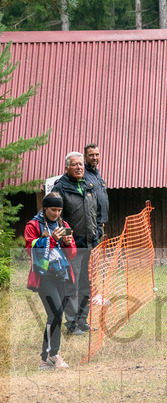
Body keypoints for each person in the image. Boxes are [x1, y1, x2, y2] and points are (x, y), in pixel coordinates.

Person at [25, 193, 77, 370]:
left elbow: (72, 254)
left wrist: (67, 243)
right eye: (53, 209)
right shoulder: (33, 225)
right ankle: (53, 355)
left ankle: (45, 359)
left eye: (59, 210)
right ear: (45, 207)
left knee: (56, 315)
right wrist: (51, 239)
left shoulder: (64, 225)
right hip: (43, 276)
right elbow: (30, 250)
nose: (56, 213)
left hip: (61, 274)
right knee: (55, 313)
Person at [52, 151, 98, 336]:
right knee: (72, 285)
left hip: (90, 243)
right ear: (66, 168)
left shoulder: (88, 184)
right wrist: (67, 238)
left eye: (80, 164)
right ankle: (71, 324)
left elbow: (95, 211)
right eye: (74, 165)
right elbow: (55, 217)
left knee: (87, 284)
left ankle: (82, 320)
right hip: (72, 246)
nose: (79, 167)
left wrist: (97, 232)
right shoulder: (60, 188)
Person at [83, 144, 108, 241]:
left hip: (100, 224)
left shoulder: (97, 174)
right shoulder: (82, 174)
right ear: (85, 157)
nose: (95, 158)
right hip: (91, 226)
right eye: (91, 155)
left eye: (97, 155)